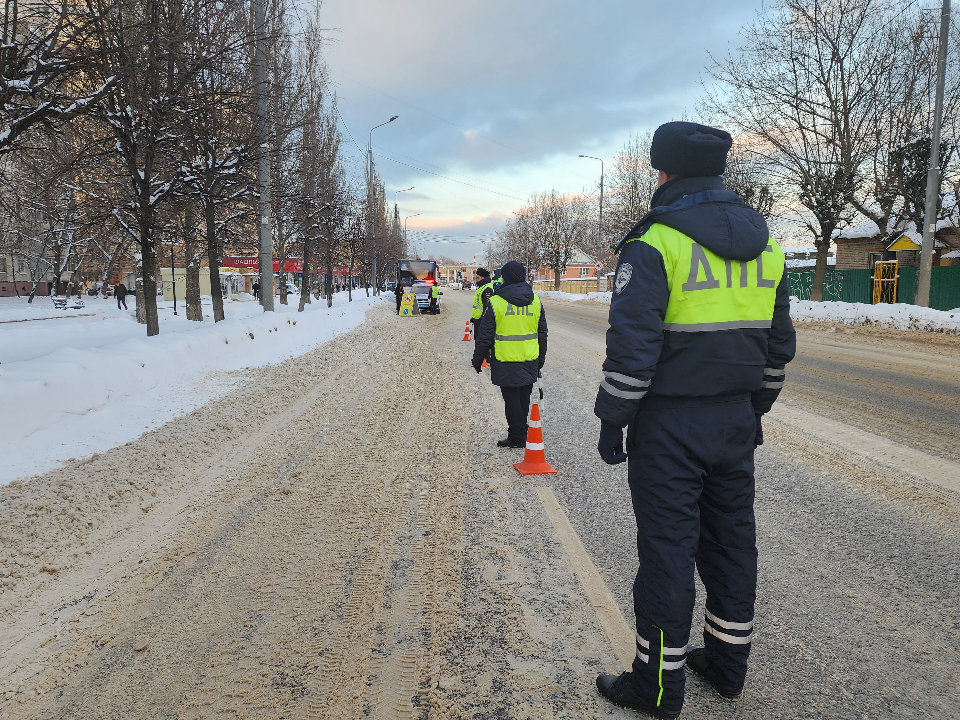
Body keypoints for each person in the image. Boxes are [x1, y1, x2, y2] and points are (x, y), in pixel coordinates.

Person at [593, 121, 796, 719]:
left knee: (668, 554)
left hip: (669, 428)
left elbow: (633, 345)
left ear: (665, 172)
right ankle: (728, 666)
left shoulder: (656, 242)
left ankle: (655, 689)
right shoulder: (768, 245)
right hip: (733, 424)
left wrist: (613, 417)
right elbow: (777, 348)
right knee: (732, 543)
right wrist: (751, 411)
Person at [472, 261, 547, 448]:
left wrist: (477, 358)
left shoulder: (496, 302)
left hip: (506, 359)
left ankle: (517, 436)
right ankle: (520, 433)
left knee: (511, 400)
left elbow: (485, 334)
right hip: (530, 358)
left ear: (505, 278)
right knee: (523, 397)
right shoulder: (536, 300)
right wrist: (541, 358)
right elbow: (542, 333)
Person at [470, 268, 494, 333]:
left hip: (482, 323)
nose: (476, 280)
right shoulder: (482, 288)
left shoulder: (487, 289)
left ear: (483, 278)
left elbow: (487, 307)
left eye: (478, 278)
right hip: (478, 321)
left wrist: (481, 320)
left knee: (480, 341)